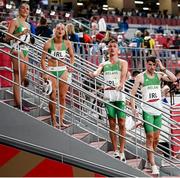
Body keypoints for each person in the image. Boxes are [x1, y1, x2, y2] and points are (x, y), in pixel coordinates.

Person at [130, 56, 176, 174]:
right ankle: (153, 164)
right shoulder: (140, 77)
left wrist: (162, 68)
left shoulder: (159, 75)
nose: (151, 67)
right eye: (149, 64)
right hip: (147, 111)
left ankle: (149, 159)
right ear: (146, 64)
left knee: (156, 139)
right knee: (149, 138)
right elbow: (133, 94)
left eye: (153, 65)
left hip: (158, 111)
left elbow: (174, 78)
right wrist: (134, 108)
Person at [89, 40, 128, 162]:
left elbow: (123, 75)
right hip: (109, 96)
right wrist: (93, 74)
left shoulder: (123, 62)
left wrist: (121, 84)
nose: (112, 48)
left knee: (121, 123)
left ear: (118, 50)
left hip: (119, 96)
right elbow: (97, 72)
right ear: (107, 49)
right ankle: (116, 150)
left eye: (114, 47)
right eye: (110, 46)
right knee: (112, 124)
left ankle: (122, 151)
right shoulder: (104, 64)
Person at [41, 23, 75, 128]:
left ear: (64, 32)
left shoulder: (67, 43)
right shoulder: (47, 43)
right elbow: (42, 59)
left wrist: (71, 65)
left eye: (62, 29)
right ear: (55, 30)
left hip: (63, 70)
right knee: (53, 97)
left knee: (63, 97)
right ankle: (53, 120)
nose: (60, 31)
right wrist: (45, 72)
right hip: (51, 70)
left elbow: (72, 57)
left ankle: (61, 120)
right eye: (58, 29)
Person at [5, 3, 31, 111]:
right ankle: (18, 103)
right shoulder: (15, 21)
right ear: (19, 9)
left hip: (25, 50)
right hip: (17, 49)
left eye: (28, 9)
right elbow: (7, 37)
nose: (25, 10)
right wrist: (20, 34)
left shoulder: (28, 25)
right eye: (23, 8)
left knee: (22, 78)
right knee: (18, 76)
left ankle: (17, 101)